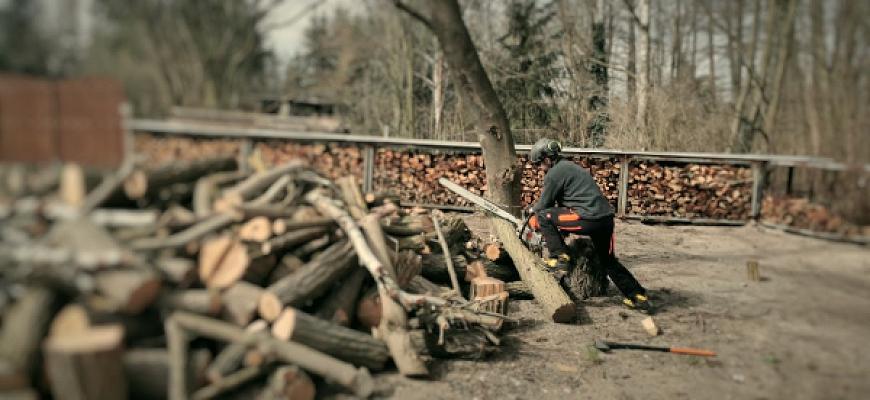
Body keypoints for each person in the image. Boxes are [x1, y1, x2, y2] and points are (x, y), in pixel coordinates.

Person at [527, 138, 651, 311]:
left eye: (540, 163)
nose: (540, 168)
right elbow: (567, 203)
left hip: (588, 218)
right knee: (608, 260)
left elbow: (544, 205)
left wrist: (531, 213)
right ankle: (637, 296)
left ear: (547, 158)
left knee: (544, 216)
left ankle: (559, 257)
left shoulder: (554, 174)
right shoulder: (572, 168)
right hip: (606, 220)